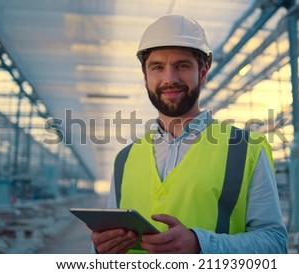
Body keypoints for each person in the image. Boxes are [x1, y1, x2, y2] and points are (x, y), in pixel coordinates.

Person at [90, 14, 288, 254]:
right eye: (157, 67)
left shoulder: (246, 148)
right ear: (145, 77)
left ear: (203, 73)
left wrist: (200, 245)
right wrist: (101, 250)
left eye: (182, 66)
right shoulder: (125, 159)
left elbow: (275, 244)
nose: (169, 79)